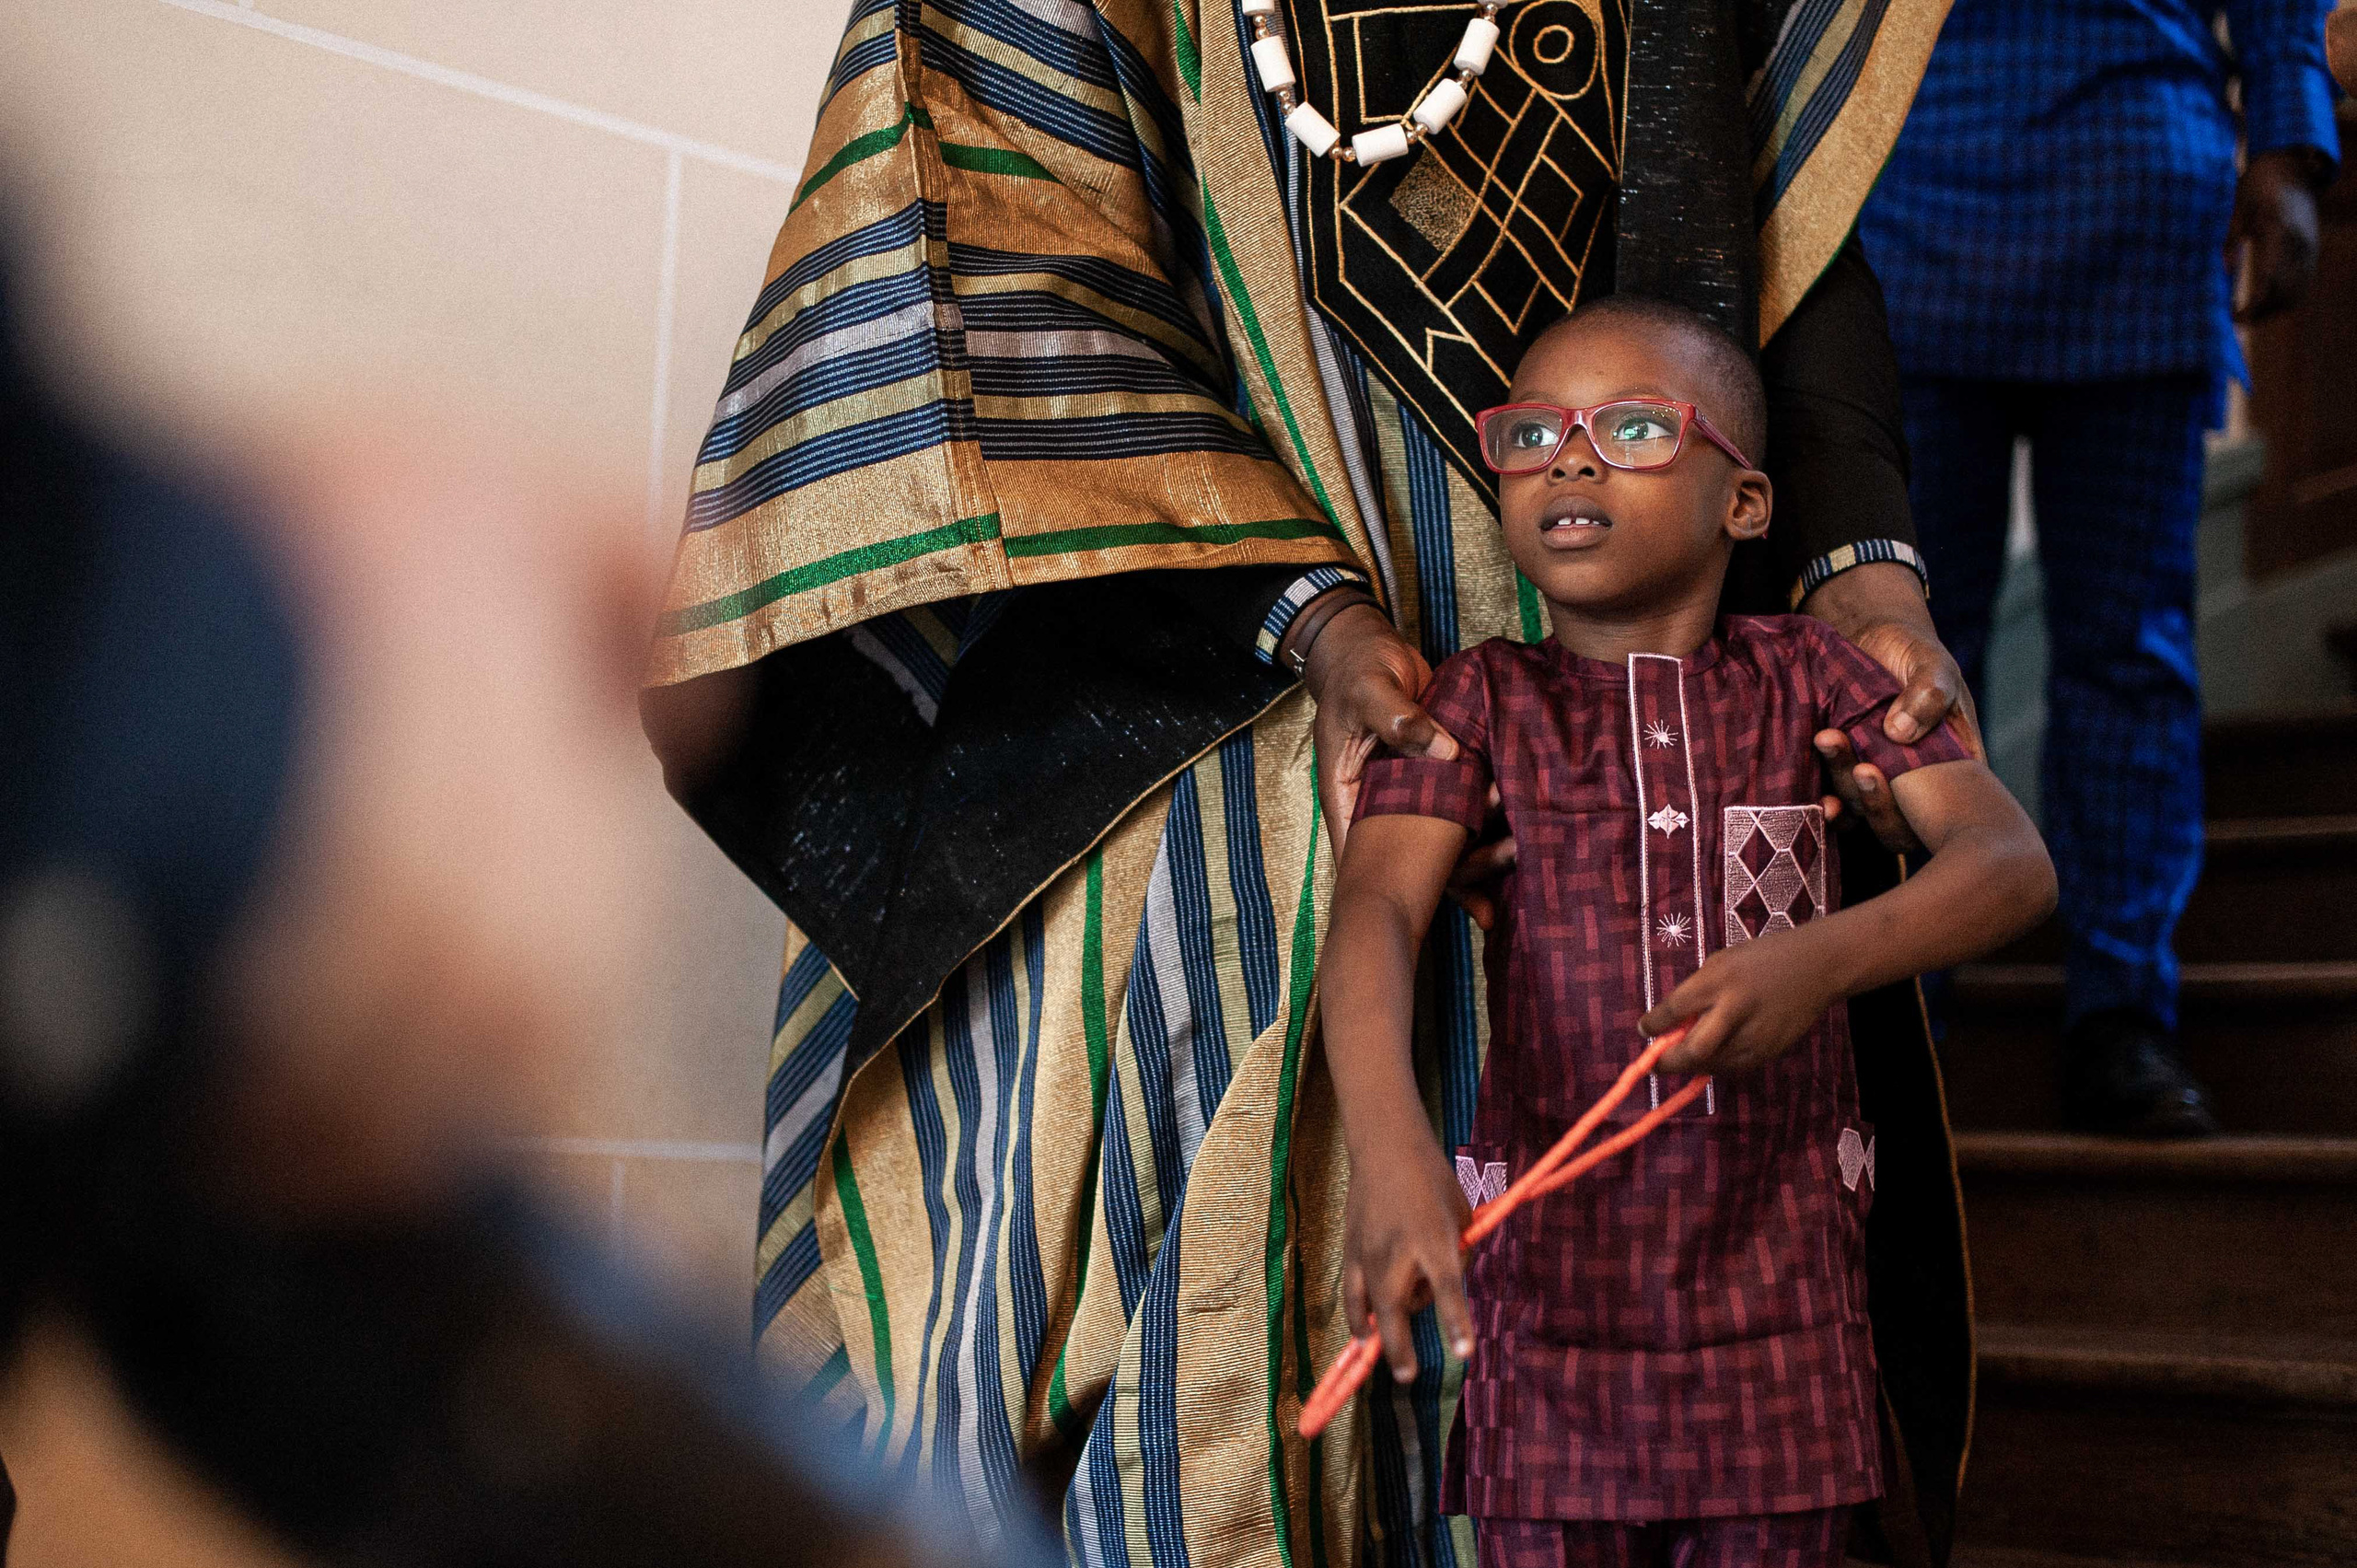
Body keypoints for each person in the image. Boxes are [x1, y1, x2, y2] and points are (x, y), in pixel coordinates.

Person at [644, 3, 1983, 1562]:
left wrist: (1866, 570)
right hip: (1201, 665)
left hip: (1630, 680)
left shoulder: (1761, 682)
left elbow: (1789, 224)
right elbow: (1002, 256)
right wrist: (1320, 620)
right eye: (1541, 434)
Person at [1323, 297, 2054, 1568]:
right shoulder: (1481, 698)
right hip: (1548, 1318)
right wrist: (1388, 1147)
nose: (1572, 457)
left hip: (1781, 1308)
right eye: (1534, 430)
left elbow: (2010, 862)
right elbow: (1377, 906)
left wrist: (1820, 958)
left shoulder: (1819, 677)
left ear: (1748, 505)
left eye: (1638, 427)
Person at [1857, 0, 2341, 1135]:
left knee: (2129, 653)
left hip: (2139, 207)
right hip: (1906, 209)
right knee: (1901, 662)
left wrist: (2286, 149)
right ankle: (1898, 1004)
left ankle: (2122, 1010)